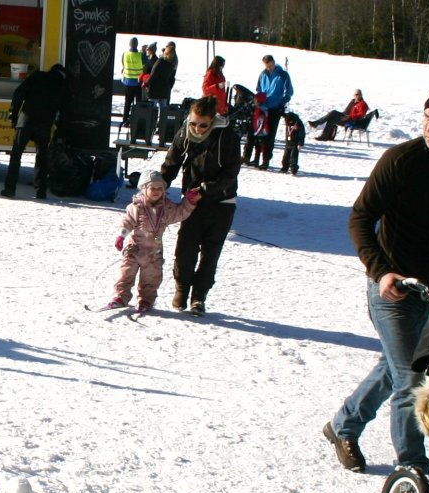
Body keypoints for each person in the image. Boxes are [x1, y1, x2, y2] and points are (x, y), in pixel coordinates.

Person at [325, 82, 429, 475]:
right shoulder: (400, 159)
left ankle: (344, 425)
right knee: (412, 377)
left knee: (396, 365)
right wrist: (382, 271)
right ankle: (413, 468)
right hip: (392, 287)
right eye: (427, 117)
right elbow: (361, 219)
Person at [160, 96, 241, 315]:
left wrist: (207, 188)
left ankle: (199, 296)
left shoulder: (227, 136)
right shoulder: (185, 132)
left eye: (203, 125)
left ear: (212, 121)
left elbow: (231, 173)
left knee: (210, 252)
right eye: (194, 123)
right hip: (191, 202)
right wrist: (159, 185)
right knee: (185, 248)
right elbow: (171, 162)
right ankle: (181, 288)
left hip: (221, 202)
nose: (197, 128)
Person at [104, 170, 201, 315]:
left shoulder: (167, 208)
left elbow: (180, 213)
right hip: (134, 249)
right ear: (144, 189)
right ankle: (120, 297)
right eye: (152, 188)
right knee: (126, 274)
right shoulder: (137, 206)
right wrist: (121, 236)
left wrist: (190, 201)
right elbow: (127, 222)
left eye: (160, 188)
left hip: (153, 253)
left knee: (151, 278)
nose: (156, 191)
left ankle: (146, 300)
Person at [3, 63, 69, 199]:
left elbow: (19, 93)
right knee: (41, 158)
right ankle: (41, 191)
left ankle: (10, 189)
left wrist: (13, 114)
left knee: (16, 155)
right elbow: (66, 113)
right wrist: (59, 132)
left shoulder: (37, 76)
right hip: (44, 126)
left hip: (25, 121)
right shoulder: (62, 86)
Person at [255, 55, 293, 162]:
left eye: (270, 65)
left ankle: (266, 159)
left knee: (270, 135)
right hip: (263, 107)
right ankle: (257, 158)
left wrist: (282, 103)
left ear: (274, 62)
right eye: (267, 66)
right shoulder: (263, 74)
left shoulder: (282, 74)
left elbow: (289, 91)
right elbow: (259, 89)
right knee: (260, 133)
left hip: (275, 108)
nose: (269, 68)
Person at [120, 37, 144, 125]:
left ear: (129, 44)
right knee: (138, 103)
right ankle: (137, 121)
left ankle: (125, 120)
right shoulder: (141, 55)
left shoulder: (125, 54)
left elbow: (123, 64)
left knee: (127, 103)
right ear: (137, 45)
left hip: (127, 82)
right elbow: (145, 64)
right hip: (137, 83)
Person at [146, 41, 178, 108]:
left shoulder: (161, 61)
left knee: (152, 111)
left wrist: (146, 83)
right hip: (165, 90)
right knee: (163, 111)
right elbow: (172, 76)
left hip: (155, 89)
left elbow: (154, 74)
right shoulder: (172, 61)